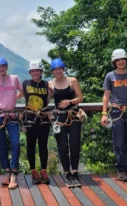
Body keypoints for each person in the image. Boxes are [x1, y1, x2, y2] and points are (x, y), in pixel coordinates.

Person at [101, 49, 127, 182]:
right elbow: (106, 95)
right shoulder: (110, 76)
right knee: (119, 143)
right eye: (118, 60)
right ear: (114, 62)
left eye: (122, 59)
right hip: (116, 111)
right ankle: (121, 170)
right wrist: (103, 113)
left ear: (126, 60)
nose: (120, 62)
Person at [0, 57, 23, 189]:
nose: (1, 69)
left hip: (12, 115)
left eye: (3, 66)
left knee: (16, 142)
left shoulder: (14, 78)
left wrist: (15, 98)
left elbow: (22, 92)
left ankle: (14, 171)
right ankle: (6, 171)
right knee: (1, 143)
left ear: (7, 67)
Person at [49, 57, 83, 188]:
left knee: (74, 144)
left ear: (63, 69)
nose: (58, 71)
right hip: (59, 117)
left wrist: (69, 102)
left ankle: (75, 172)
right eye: (55, 70)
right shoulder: (50, 84)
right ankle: (67, 173)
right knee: (62, 146)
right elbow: (46, 99)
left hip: (73, 115)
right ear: (52, 71)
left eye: (60, 69)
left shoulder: (72, 80)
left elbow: (80, 97)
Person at [22, 61, 52, 184]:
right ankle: (33, 170)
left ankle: (44, 170)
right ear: (30, 72)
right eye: (33, 71)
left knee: (43, 145)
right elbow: (21, 95)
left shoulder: (47, 84)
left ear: (41, 72)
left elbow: (49, 99)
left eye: (37, 71)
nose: (35, 73)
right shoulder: (26, 83)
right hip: (30, 118)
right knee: (31, 145)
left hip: (43, 118)